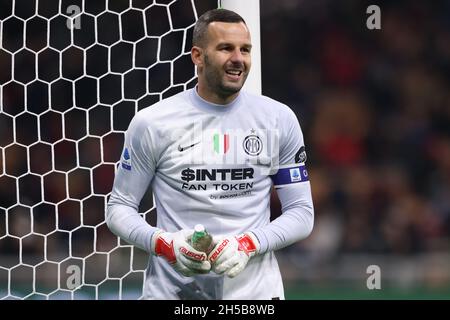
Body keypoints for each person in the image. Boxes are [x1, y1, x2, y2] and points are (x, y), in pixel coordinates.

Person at [106, 8, 314, 300]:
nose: (238, 59)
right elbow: (119, 208)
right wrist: (164, 244)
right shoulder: (153, 123)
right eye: (226, 48)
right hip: (173, 294)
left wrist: (249, 243)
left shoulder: (278, 119)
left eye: (245, 49)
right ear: (197, 56)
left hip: (256, 297)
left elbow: (301, 213)